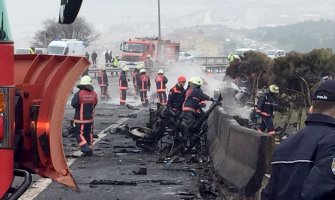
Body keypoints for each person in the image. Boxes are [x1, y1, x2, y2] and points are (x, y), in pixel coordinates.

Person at [262, 80, 335, 200]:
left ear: (311, 109)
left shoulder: (284, 144)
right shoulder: (332, 143)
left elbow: (269, 194)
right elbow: (320, 194)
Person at [180, 77, 213, 149]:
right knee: (193, 127)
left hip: (187, 111)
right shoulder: (195, 91)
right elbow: (203, 96)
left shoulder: (190, 90)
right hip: (189, 111)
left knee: (191, 126)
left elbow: (199, 100)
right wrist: (212, 99)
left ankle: (189, 143)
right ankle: (188, 144)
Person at [71, 75, 98, 156]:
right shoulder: (94, 93)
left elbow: (74, 104)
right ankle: (89, 148)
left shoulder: (79, 94)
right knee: (89, 134)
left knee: (79, 134)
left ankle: (85, 148)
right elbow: (95, 103)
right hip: (90, 119)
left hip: (80, 119)